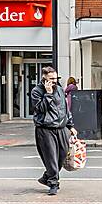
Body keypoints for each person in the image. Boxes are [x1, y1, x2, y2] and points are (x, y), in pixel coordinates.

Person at [31, 66, 76, 196]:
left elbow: (65, 109)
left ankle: (46, 177)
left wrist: (70, 125)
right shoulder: (37, 91)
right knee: (51, 157)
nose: (54, 81)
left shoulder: (60, 90)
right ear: (44, 78)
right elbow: (40, 109)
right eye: (51, 79)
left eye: (56, 78)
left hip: (61, 127)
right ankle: (53, 183)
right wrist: (48, 93)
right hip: (45, 128)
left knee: (62, 156)